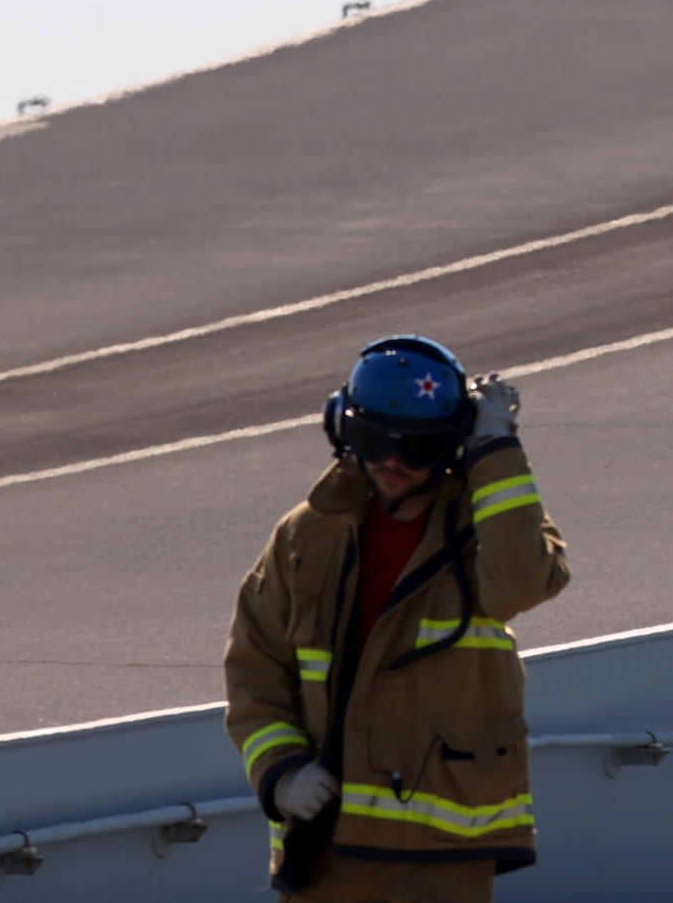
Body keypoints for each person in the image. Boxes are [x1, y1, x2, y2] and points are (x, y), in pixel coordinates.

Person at [223, 336, 568, 900]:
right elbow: (254, 670)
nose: (391, 462)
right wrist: (281, 772)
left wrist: (497, 449)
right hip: (327, 845)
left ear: (454, 443)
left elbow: (522, 583)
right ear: (343, 430)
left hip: (443, 850)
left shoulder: (487, 523)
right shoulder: (305, 536)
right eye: (374, 439)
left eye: (417, 447)